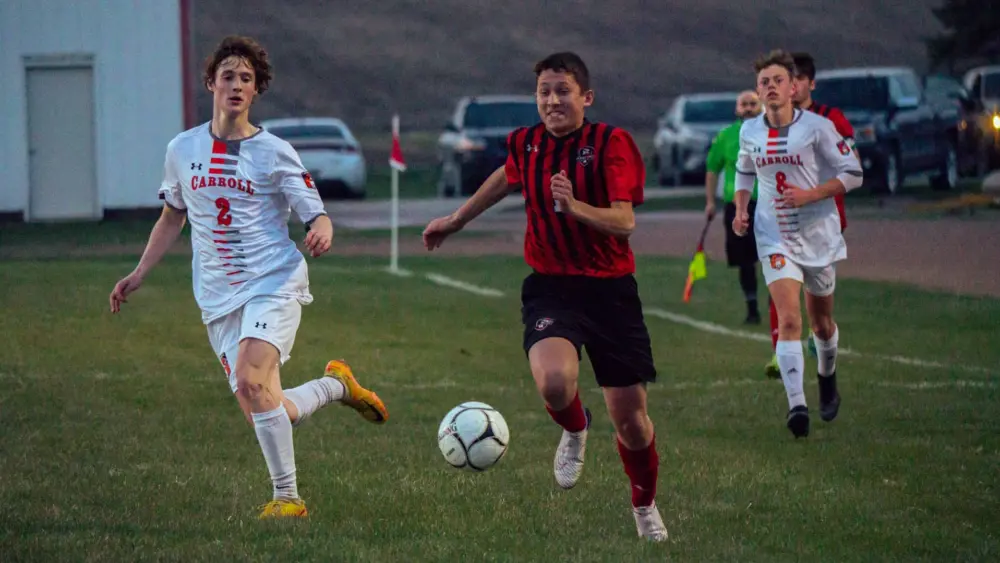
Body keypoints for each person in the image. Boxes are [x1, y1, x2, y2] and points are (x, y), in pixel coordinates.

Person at [108, 35, 389, 519]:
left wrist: (321, 228)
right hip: (217, 298)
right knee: (263, 401)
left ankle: (288, 500)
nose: (236, 85)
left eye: (246, 78)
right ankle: (337, 386)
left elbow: (314, 212)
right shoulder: (182, 148)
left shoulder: (275, 151)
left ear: (256, 90)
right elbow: (172, 216)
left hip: (273, 281)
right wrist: (139, 272)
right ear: (210, 83)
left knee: (249, 380)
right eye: (228, 76)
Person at [422, 52, 668, 541]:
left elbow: (625, 222)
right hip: (552, 286)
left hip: (611, 292)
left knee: (634, 423)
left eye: (562, 90)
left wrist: (574, 206)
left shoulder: (611, 143)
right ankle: (575, 428)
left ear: (586, 97)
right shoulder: (525, 143)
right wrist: (456, 220)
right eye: (544, 92)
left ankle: (644, 506)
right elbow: (504, 179)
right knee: (555, 382)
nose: (552, 100)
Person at [732, 49, 863, 438]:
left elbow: (853, 172)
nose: (770, 88)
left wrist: (813, 194)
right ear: (758, 91)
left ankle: (827, 377)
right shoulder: (749, 130)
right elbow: (744, 168)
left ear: (793, 88)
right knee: (789, 319)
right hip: (774, 234)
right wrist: (742, 208)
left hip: (819, 233)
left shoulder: (818, 127)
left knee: (821, 325)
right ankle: (796, 406)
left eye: (777, 81)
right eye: (763, 83)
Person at [764, 51, 859, 378]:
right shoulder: (771, 121)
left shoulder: (830, 120)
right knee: (781, 284)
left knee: (818, 312)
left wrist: (812, 189)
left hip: (823, 221)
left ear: (810, 83)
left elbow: (851, 168)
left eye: (800, 80)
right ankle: (782, 349)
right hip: (781, 224)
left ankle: (819, 340)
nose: (794, 86)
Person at [704, 90, 764, 325]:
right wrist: (710, 201)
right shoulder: (726, 136)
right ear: (737, 109)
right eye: (744, 104)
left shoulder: (772, 132)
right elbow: (712, 169)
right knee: (745, 260)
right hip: (737, 206)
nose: (748, 108)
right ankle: (752, 308)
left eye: (753, 104)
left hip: (768, 205)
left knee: (773, 258)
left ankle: (778, 307)